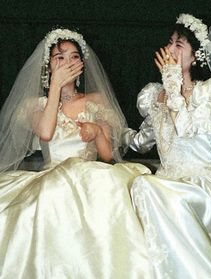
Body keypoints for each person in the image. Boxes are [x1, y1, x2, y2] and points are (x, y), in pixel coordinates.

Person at [0, 28, 153, 278]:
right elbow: (46, 132)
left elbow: (107, 156)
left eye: (73, 57)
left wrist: (97, 133)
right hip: (51, 176)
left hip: (90, 176)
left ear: (81, 63)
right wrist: (55, 88)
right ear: (48, 65)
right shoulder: (35, 105)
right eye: (59, 57)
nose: (67, 63)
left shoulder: (96, 100)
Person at [123, 14, 211, 278]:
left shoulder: (209, 92)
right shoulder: (155, 95)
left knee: (144, 185)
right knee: (135, 186)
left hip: (202, 187)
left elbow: (184, 129)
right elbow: (142, 142)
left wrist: (173, 83)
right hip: (167, 184)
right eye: (170, 42)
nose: (170, 50)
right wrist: (115, 132)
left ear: (195, 57)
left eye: (179, 45)